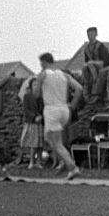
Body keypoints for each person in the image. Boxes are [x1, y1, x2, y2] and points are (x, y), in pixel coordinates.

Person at [35, 52, 82, 180]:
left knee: (56, 142)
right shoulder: (64, 75)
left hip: (51, 110)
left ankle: (72, 167)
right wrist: (72, 105)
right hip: (64, 110)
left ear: (44, 62)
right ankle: (64, 162)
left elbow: (36, 94)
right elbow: (79, 89)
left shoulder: (43, 75)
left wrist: (38, 82)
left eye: (41, 63)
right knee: (50, 138)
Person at [18, 76, 44, 169]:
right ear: (31, 86)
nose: (36, 86)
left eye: (37, 84)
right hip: (32, 122)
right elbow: (26, 110)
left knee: (40, 143)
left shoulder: (41, 97)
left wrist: (41, 116)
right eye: (34, 84)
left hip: (40, 123)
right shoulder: (27, 96)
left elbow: (43, 109)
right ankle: (31, 162)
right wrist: (34, 117)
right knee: (33, 143)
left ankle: (39, 162)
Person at [80, 27, 109, 104]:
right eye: (88, 34)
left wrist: (93, 62)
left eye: (92, 34)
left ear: (96, 34)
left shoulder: (101, 46)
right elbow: (86, 61)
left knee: (90, 64)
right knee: (85, 67)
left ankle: (95, 85)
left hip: (101, 65)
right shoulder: (86, 48)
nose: (90, 36)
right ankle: (86, 93)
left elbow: (106, 60)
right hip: (90, 67)